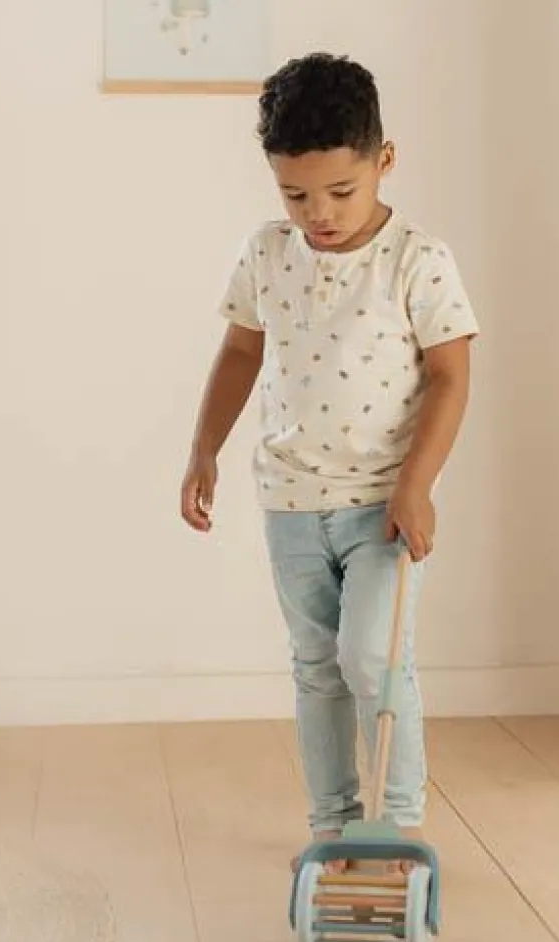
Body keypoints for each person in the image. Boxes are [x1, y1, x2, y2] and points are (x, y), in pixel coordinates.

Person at [180, 52, 479, 873]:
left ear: (385, 160)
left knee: (373, 658)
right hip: (291, 501)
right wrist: (204, 448)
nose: (319, 214)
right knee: (317, 668)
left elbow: (451, 376)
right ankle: (334, 824)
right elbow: (240, 352)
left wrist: (418, 484)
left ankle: (399, 825)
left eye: (341, 192)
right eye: (295, 195)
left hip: (384, 504)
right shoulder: (267, 253)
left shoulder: (418, 258)